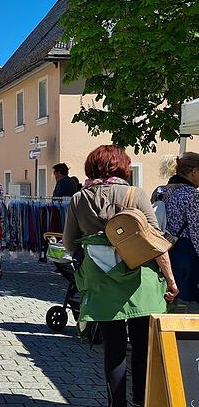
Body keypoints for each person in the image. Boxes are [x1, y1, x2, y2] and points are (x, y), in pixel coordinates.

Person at [63, 145, 177, 407]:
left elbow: (70, 243)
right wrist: (170, 281)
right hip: (140, 281)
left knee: (113, 350)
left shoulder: (79, 199)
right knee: (141, 348)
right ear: (123, 166)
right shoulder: (134, 194)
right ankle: (140, 401)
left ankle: (117, 405)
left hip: (101, 282)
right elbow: (156, 242)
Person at [158, 152, 199, 305]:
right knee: (186, 305)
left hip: (162, 251)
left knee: (167, 301)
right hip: (185, 254)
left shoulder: (160, 191)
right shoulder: (192, 194)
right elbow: (196, 232)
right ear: (194, 171)